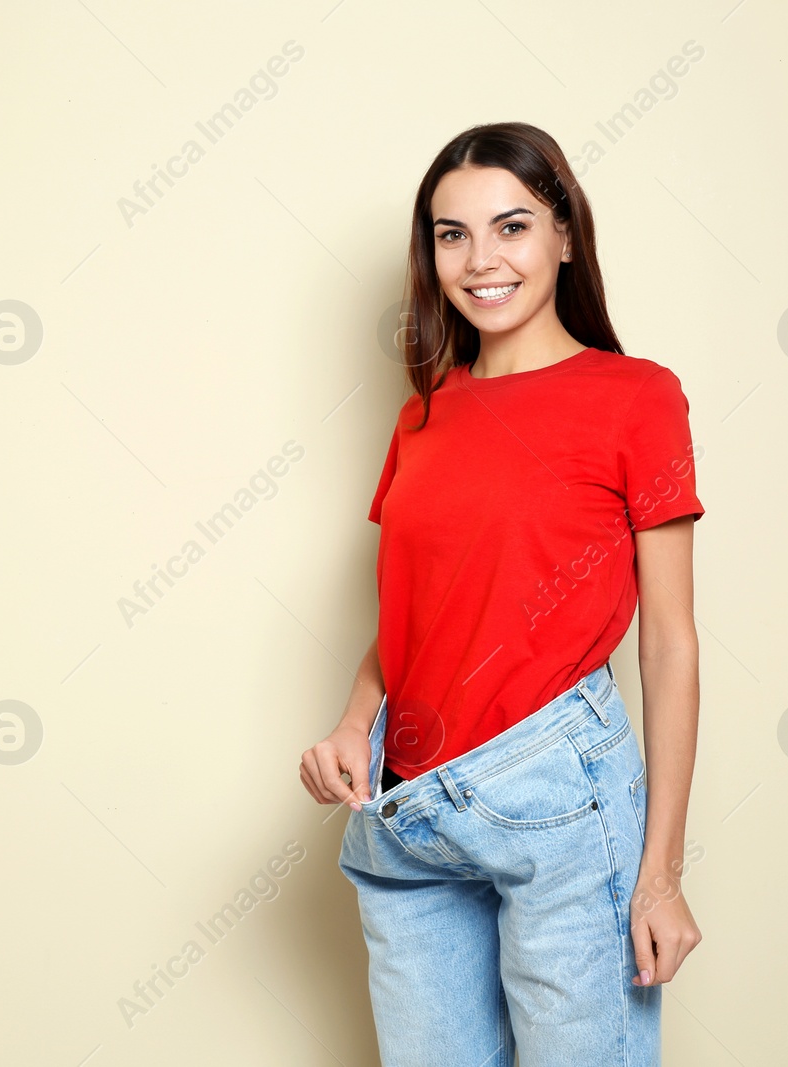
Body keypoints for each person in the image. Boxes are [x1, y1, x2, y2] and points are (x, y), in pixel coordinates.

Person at [298, 121, 704, 1066]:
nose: (481, 260)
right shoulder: (423, 415)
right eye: (452, 235)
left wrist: (661, 877)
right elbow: (410, 615)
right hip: (409, 815)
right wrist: (354, 723)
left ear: (565, 235)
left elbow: (670, 644)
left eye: (511, 226)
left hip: (555, 799)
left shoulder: (636, 398)